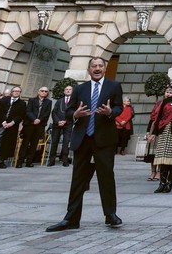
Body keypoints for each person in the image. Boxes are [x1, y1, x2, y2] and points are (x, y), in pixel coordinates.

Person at [45, 56, 124, 232]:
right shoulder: (80, 89)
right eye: (93, 66)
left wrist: (111, 112)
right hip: (83, 139)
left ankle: (110, 215)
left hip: (104, 140)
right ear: (89, 70)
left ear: (105, 68)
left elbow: (120, 107)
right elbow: (69, 110)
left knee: (106, 178)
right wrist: (75, 114)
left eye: (99, 66)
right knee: (78, 180)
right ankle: (71, 218)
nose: (96, 68)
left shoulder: (114, 86)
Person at [0, 86, 25, 169]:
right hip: (1, 124)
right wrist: (3, 122)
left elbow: (21, 115)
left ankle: (1, 161)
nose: (16, 92)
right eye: (15, 91)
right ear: (11, 92)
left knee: (6, 143)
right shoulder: (3, 100)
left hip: (12, 126)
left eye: (18, 91)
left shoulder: (22, 103)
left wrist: (12, 123)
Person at [17, 86, 53, 168]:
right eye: (42, 91)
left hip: (40, 125)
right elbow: (28, 111)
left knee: (34, 143)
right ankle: (20, 161)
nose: (44, 92)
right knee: (25, 143)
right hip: (30, 124)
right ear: (38, 92)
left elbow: (47, 113)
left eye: (46, 91)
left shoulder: (48, 102)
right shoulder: (32, 100)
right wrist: (34, 119)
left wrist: (39, 120)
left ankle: (29, 161)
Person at [146, 86, 172, 180]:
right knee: (152, 152)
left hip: (164, 128)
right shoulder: (158, 104)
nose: (168, 93)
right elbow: (152, 118)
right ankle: (153, 171)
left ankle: (159, 172)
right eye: (167, 92)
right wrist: (147, 131)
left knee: (160, 151)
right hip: (154, 128)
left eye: (170, 92)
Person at [49, 84, 75, 167]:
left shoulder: (74, 102)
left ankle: (64, 160)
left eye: (69, 89)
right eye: (66, 89)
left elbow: (74, 113)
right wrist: (57, 121)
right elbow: (54, 112)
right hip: (57, 124)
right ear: (64, 91)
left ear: (72, 91)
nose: (68, 90)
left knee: (66, 142)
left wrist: (65, 121)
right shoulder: (59, 101)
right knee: (54, 142)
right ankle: (51, 160)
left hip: (68, 124)